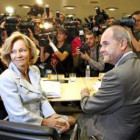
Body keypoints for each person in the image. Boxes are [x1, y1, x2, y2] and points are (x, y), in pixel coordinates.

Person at [0, 32, 75, 135]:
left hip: (41, 117)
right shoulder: (6, 77)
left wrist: (53, 116)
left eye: (22, 50)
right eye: (13, 52)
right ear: (9, 55)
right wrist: (47, 122)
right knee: (63, 126)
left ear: (30, 52)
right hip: (23, 125)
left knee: (72, 120)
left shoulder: (34, 70)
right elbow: (18, 115)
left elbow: (42, 98)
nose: (18, 55)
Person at [77, 25, 140, 140]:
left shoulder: (115, 75)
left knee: (81, 118)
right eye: (101, 45)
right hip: (133, 130)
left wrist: (84, 93)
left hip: (113, 132)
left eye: (106, 44)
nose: (101, 49)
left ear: (122, 44)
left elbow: (88, 106)